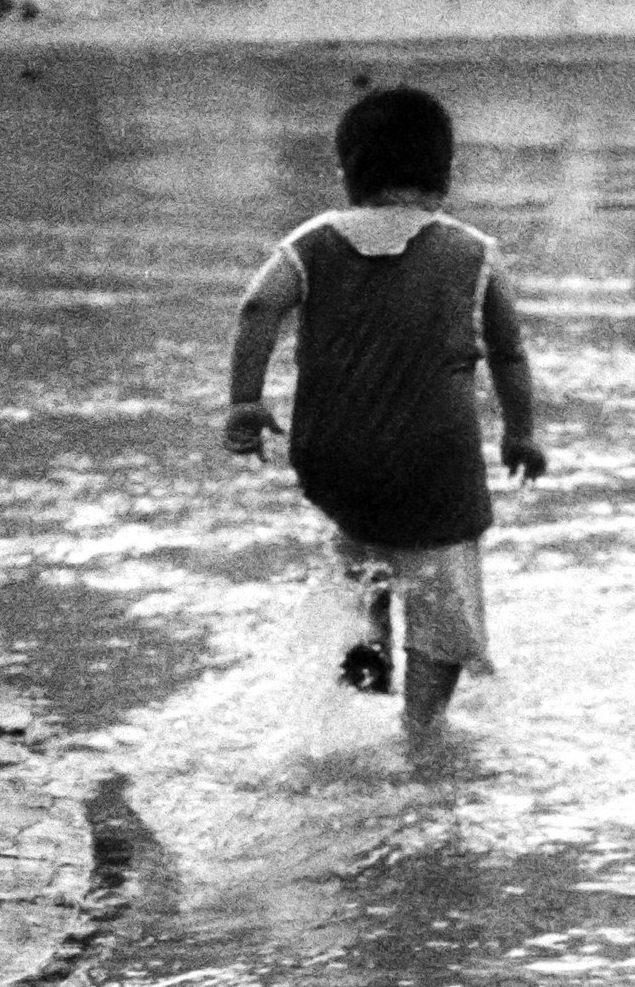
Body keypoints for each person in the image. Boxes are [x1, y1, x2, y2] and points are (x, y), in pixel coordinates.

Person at [226, 84, 546, 744]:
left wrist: (246, 402)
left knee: (361, 549)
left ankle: (364, 656)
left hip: (335, 460)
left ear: (347, 173)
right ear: (446, 176)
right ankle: (419, 730)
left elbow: (257, 307)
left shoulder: (310, 243)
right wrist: (521, 432)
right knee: (439, 599)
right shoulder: (472, 252)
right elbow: (509, 353)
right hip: (434, 470)